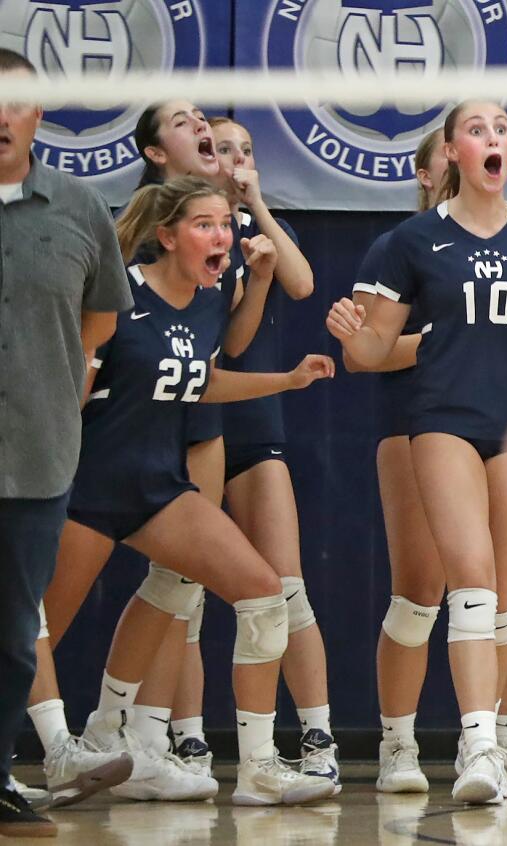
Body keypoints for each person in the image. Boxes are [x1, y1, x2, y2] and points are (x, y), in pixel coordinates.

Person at [42, 176, 338, 807]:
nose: (222, 236)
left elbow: (199, 382)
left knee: (263, 595)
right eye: (206, 224)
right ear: (167, 236)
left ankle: (257, 767)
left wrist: (284, 380)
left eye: (225, 224)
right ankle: (59, 747)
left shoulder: (209, 301)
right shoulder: (116, 298)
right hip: (87, 487)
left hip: (158, 487)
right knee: (35, 631)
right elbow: (69, 387)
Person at [330, 101, 507, 806]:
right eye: (478, 129)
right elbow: (369, 352)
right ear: (450, 152)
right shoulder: (413, 242)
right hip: (442, 420)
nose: (493, 139)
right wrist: (348, 332)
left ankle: (500, 743)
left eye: (502, 130)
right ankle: (463, 745)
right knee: (465, 582)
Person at [151, 115, 338, 790]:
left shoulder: (249, 232)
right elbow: (217, 347)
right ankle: (188, 737)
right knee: (183, 590)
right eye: (220, 147)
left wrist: (253, 204)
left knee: (287, 588)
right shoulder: (171, 233)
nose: (233, 158)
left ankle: (317, 734)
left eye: (246, 150)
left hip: (254, 417)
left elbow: (304, 284)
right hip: (191, 420)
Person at [0, 48, 135, 838]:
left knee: (15, 636)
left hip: (38, 456)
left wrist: (61, 400)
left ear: (38, 114)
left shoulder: (81, 209)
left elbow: (99, 325)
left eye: (14, 102)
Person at [344, 127, 447, 795]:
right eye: (455, 147)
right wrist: (449, 338)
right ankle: (398, 744)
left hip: (494, 422)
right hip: (415, 420)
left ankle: (499, 741)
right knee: (420, 593)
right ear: (426, 171)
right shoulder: (401, 248)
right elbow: (365, 350)